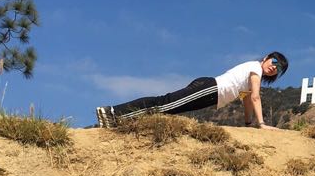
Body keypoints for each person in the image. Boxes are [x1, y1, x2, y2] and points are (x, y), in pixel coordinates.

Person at [95, 52, 288, 129]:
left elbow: (246, 99)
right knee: (164, 104)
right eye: (274, 62)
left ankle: (117, 120)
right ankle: (113, 113)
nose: (274, 68)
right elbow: (255, 97)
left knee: (167, 107)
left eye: (279, 69)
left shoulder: (254, 73)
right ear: (266, 58)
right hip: (210, 89)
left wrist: (248, 123)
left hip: (210, 94)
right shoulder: (255, 69)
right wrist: (261, 124)